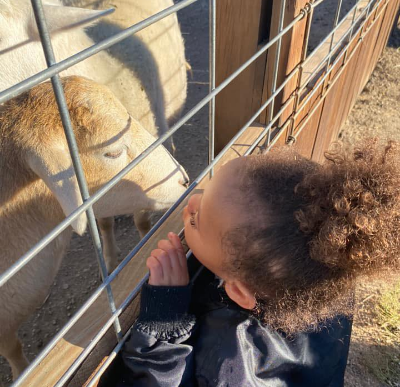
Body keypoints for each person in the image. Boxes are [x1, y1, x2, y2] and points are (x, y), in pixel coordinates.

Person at [116, 140, 400, 387]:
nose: (191, 200)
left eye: (195, 220)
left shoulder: (230, 366)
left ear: (239, 292)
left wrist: (165, 324)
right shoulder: (330, 276)